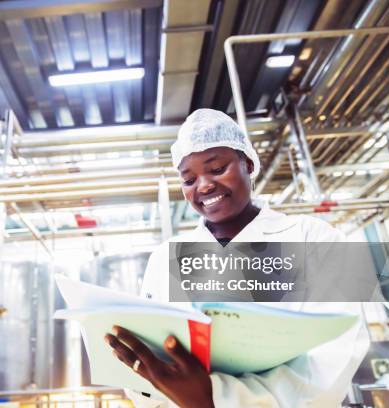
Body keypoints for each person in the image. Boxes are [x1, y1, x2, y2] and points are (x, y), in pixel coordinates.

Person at [104, 109, 369, 407]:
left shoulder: (314, 240)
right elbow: (153, 365)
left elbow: (335, 353)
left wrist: (215, 398)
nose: (203, 186)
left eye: (217, 169)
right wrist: (144, 377)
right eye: (189, 179)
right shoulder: (166, 258)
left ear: (248, 162)